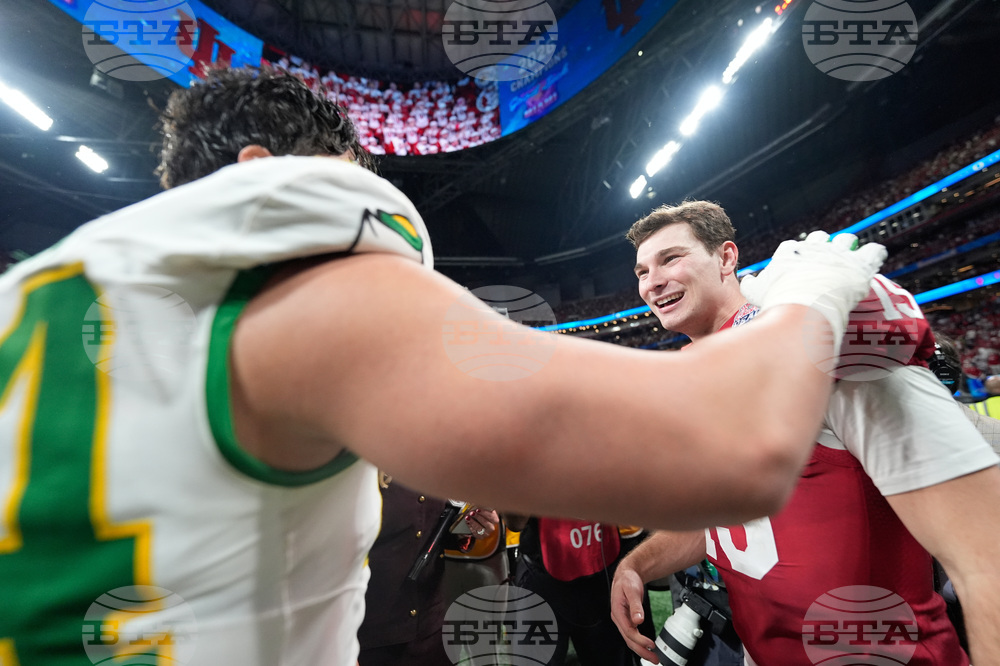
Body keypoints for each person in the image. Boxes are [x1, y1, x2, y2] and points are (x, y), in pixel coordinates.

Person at [0, 69, 885, 666]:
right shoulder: (287, 283)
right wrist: (813, 286)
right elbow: (732, 449)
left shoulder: (43, 292)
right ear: (261, 176)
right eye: (339, 178)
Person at [609, 201, 1000, 665]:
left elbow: (984, 554)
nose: (651, 281)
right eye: (642, 270)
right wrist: (635, 565)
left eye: (671, 258)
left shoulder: (819, 333)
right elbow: (731, 523)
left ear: (727, 258)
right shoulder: (693, 379)